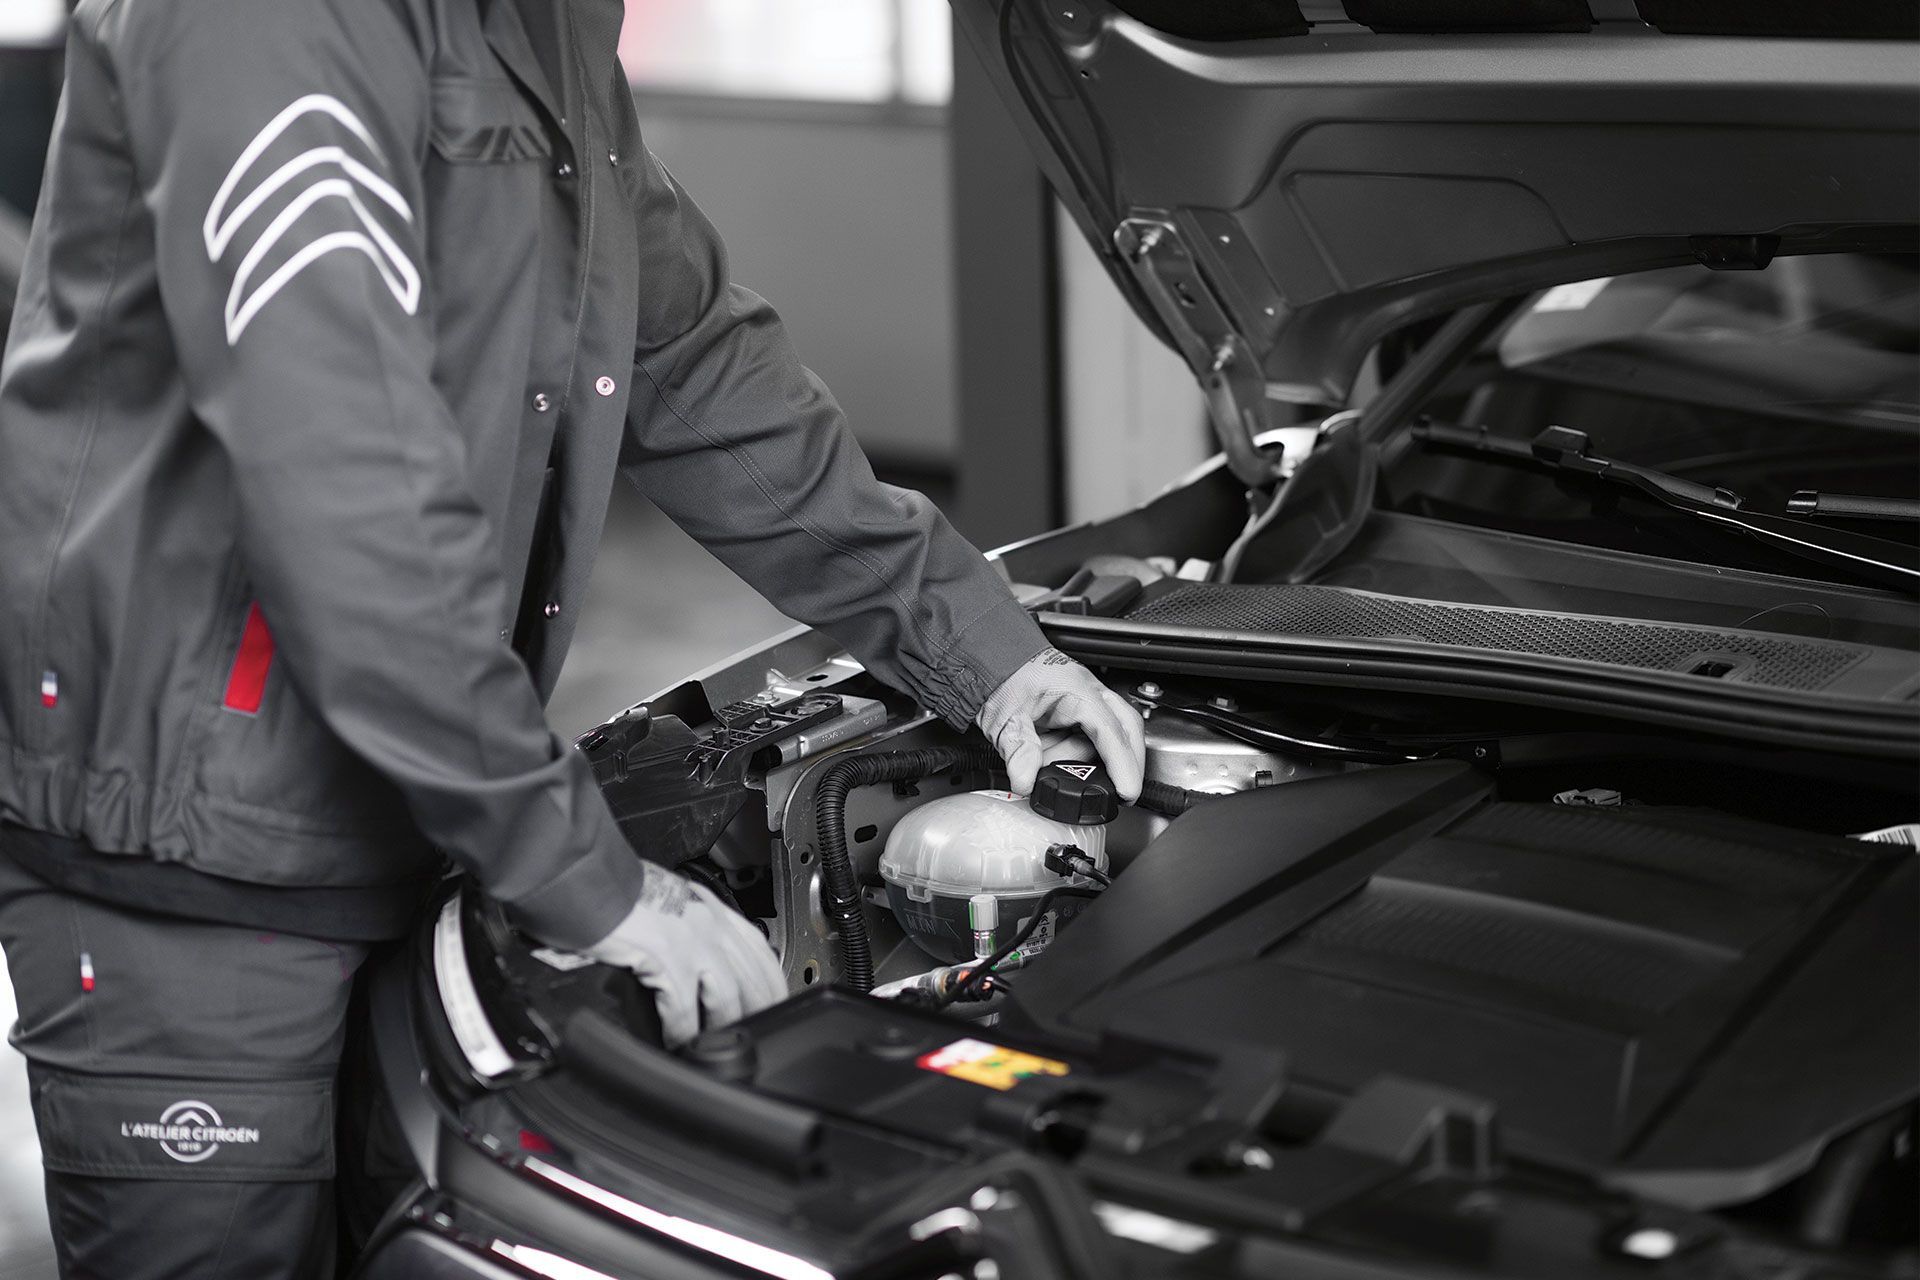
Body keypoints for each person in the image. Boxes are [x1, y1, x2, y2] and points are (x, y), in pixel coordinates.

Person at [0, 0, 1145, 1273]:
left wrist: (989, 653)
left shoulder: (544, 32)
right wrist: (588, 874)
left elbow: (697, 367)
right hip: (197, 845)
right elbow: (342, 478)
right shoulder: (261, 21)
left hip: (416, 796)